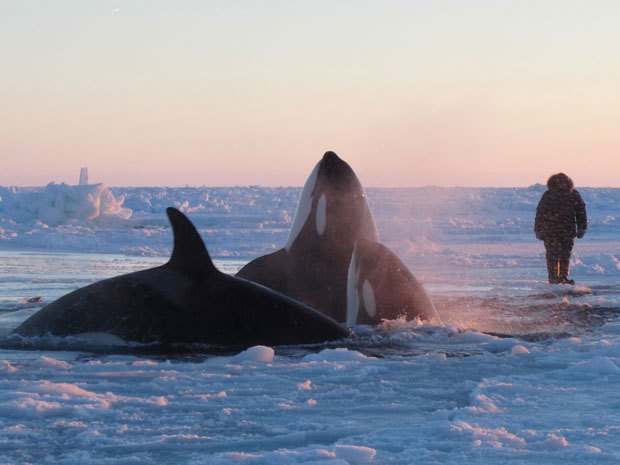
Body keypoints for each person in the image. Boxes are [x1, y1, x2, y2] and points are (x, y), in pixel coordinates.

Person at [534, 173, 587, 284]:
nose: (561, 184)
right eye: (558, 182)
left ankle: (563, 277)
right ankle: (553, 278)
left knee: (565, 255)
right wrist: (538, 229)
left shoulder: (573, 194)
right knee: (552, 255)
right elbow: (540, 213)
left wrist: (582, 228)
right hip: (550, 231)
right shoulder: (548, 195)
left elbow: (581, 212)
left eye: (563, 182)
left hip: (567, 231)